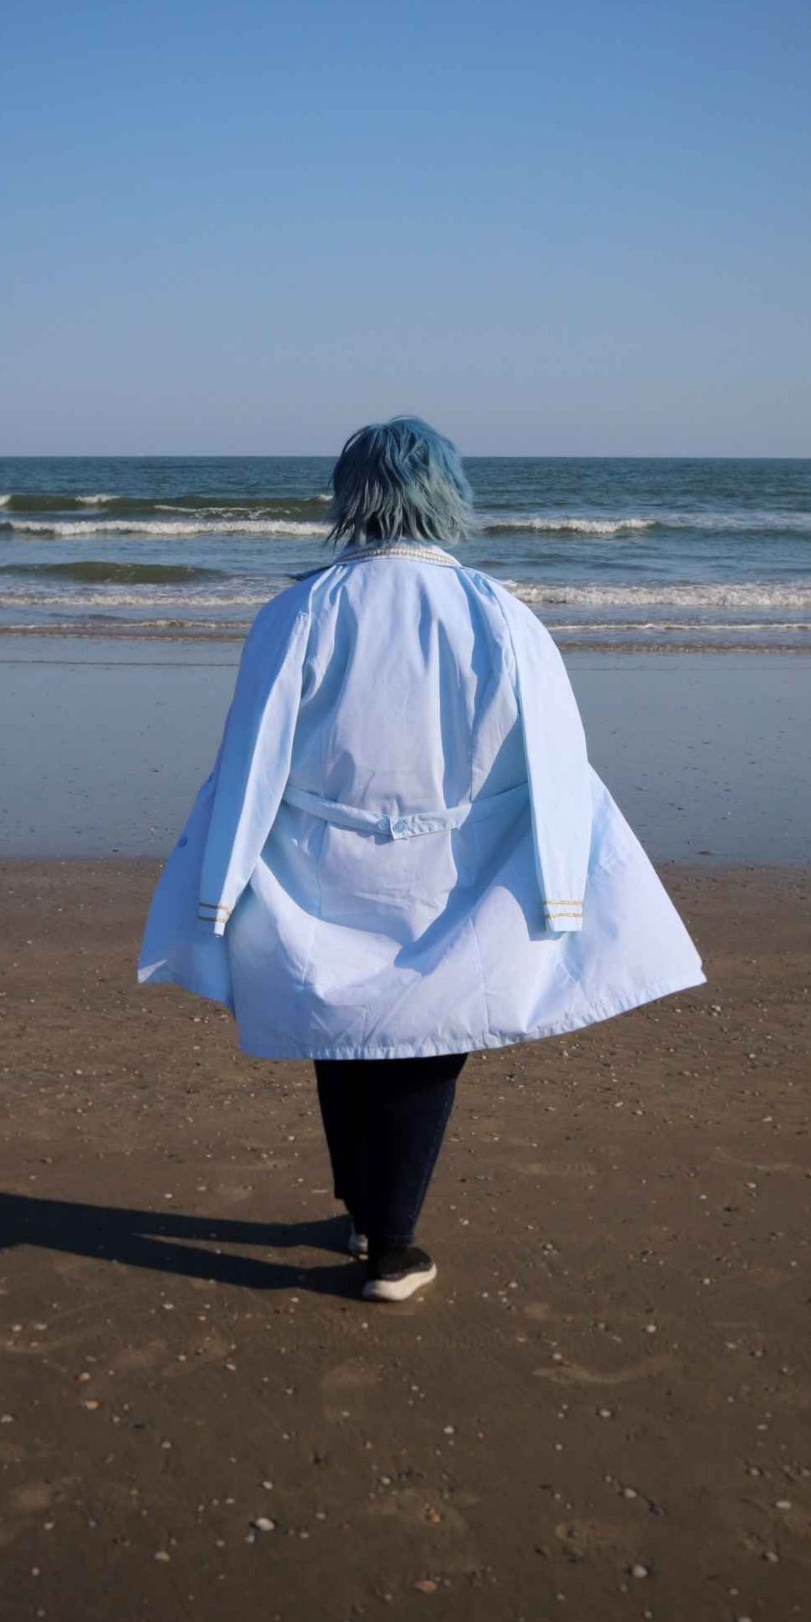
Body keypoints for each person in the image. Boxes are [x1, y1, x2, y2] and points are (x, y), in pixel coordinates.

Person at [137, 417, 705, 1301]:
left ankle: (369, 1212)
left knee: (341, 1026)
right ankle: (390, 1242)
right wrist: (562, 882)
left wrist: (221, 879)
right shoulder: (502, 614)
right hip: (458, 868)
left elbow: (251, 756)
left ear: (348, 496)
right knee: (428, 1035)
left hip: (318, 861)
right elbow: (555, 761)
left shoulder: (298, 610)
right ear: (447, 494)